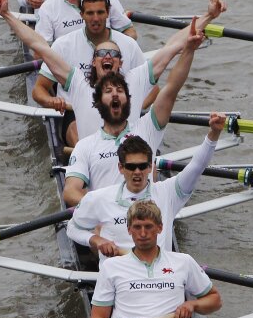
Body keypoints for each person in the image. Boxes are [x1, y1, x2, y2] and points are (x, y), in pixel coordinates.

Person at [0, 0, 225, 146]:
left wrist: (208, 17)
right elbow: (37, 44)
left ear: (121, 62)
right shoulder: (80, 87)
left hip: (129, 156)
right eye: (102, 54)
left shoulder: (133, 82)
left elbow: (172, 47)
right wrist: (7, 15)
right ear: (93, 62)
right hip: (93, 156)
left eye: (113, 54)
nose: (108, 57)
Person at [61, 16, 207, 207]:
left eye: (120, 91)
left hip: (143, 219)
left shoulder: (145, 129)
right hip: (104, 221)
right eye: (109, 92)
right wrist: (106, 211)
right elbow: (70, 192)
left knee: (150, 167)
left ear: (129, 100)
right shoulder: (86, 145)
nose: (115, 95)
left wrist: (189, 50)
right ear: (98, 103)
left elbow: (172, 88)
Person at [90, 200, 222, 318]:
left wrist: (192, 304)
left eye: (149, 227)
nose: (143, 233)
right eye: (137, 227)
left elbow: (215, 300)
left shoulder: (182, 262)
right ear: (129, 230)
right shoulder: (112, 267)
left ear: (160, 228)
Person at [66, 113, 226, 259]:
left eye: (142, 166)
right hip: (119, 280)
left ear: (150, 167)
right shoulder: (99, 198)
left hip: (160, 280)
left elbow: (197, 166)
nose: (137, 172)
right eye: (131, 167)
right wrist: (96, 240)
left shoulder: (168, 193)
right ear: (121, 168)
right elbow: (72, 228)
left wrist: (214, 134)